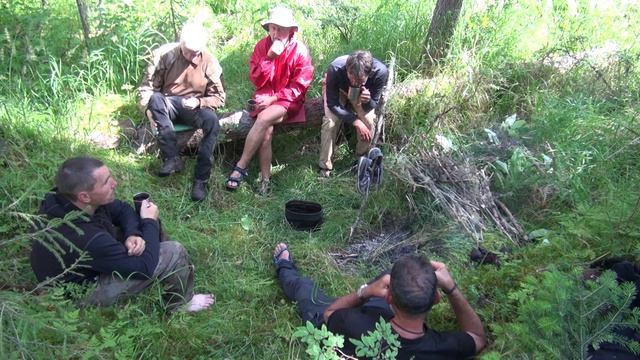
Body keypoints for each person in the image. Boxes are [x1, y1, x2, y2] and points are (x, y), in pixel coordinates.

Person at [30, 157, 214, 312]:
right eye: (106, 182)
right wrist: (149, 222)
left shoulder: (65, 199)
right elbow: (144, 268)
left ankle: (169, 270)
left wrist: (132, 234)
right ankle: (180, 304)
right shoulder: (85, 236)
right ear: (84, 196)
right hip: (78, 292)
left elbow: (122, 209)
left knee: (141, 220)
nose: (114, 183)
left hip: (85, 264)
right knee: (173, 251)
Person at [272, 243, 486, 359]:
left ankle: (283, 265)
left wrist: (364, 292)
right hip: (386, 313)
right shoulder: (440, 347)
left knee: (304, 289)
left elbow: (329, 314)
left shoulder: (353, 323)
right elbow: (477, 337)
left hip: (341, 317)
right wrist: (452, 288)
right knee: (391, 274)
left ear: (389, 296)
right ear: (437, 299)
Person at [225, 6, 313, 194]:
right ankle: (266, 182)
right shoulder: (262, 47)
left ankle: (240, 167)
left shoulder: (300, 51)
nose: (276, 33)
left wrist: (274, 99)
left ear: (291, 31)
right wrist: (270, 57)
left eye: (280, 29)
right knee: (266, 133)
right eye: (273, 28)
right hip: (264, 99)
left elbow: (299, 87)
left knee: (263, 120)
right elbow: (256, 78)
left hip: (288, 101)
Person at [138, 22, 225, 201]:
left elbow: (219, 98)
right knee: (155, 99)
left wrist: (199, 101)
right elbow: (147, 88)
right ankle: (171, 158)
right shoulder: (164, 55)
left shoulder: (209, 62)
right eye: (187, 50)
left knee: (211, 121)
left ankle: (201, 179)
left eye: (195, 52)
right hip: (167, 103)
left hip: (192, 107)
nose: (191, 55)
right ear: (181, 43)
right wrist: (148, 109)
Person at [318, 51, 388, 178]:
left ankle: (361, 161)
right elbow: (332, 104)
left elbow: (373, 104)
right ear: (347, 70)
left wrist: (367, 100)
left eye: (360, 79)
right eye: (351, 77)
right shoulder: (336, 68)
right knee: (330, 122)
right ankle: (325, 168)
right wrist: (356, 121)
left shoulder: (380, 73)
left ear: (369, 73)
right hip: (339, 90)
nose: (355, 82)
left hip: (360, 97)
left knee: (369, 122)